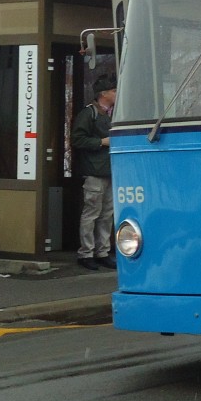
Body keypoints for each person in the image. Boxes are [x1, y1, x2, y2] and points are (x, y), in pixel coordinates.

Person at [72, 74, 117, 270]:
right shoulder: (88, 114)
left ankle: (102, 251)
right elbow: (77, 140)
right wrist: (100, 142)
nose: (117, 94)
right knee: (92, 213)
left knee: (107, 214)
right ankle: (86, 253)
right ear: (103, 94)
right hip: (94, 172)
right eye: (114, 91)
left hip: (109, 171)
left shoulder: (113, 113)